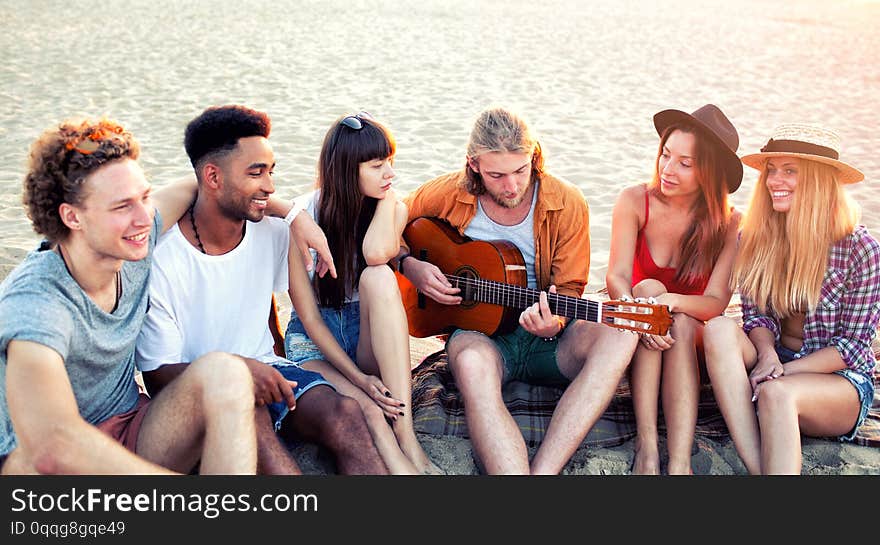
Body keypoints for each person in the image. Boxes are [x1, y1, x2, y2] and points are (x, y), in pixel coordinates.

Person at [135, 105, 388, 475]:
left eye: (271, 171)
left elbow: (264, 302)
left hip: (269, 368)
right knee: (254, 424)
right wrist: (241, 373)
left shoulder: (273, 230)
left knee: (346, 415)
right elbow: (157, 376)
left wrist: (272, 358)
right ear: (213, 177)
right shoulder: (162, 259)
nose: (270, 186)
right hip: (202, 389)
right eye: (256, 173)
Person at [0, 118, 259, 475]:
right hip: (56, 464)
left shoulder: (130, 242)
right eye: (122, 206)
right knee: (25, 466)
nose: (143, 218)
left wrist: (290, 214)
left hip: (131, 432)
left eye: (145, 197)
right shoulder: (36, 302)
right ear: (72, 217)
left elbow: (204, 185)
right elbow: (52, 444)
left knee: (227, 372)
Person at [398, 106, 639, 474]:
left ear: (534, 157)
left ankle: (544, 470)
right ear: (474, 164)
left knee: (624, 332)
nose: (511, 186)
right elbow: (388, 224)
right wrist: (410, 265)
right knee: (471, 362)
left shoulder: (567, 202)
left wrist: (555, 322)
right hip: (481, 337)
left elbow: (571, 287)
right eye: (497, 175)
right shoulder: (446, 194)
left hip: (549, 340)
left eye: (520, 171)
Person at [704, 123, 879, 475]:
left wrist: (784, 371)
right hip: (775, 360)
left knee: (776, 394)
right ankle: (759, 467)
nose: (773, 181)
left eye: (789, 171)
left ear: (818, 180)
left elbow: (853, 347)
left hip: (837, 382)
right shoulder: (754, 238)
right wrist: (768, 355)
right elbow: (757, 318)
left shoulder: (861, 248)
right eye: (771, 170)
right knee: (719, 329)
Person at [283, 112, 440, 475]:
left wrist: (388, 203)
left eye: (391, 162)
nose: (390, 174)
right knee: (366, 405)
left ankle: (409, 440)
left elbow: (374, 255)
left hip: (366, 337)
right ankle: (402, 467)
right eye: (377, 165)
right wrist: (358, 378)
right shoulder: (302, 216)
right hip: (315, 344)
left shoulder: (391, 209)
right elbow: (307, 316)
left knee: (380, 277)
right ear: (346, 169)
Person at [605, 104, 743, 475]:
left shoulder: (731, 224)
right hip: (639, 333)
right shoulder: (634, 200)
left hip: (692, 343)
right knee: (649, 294)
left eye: (685, 163)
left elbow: (716, 304)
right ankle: (647, 446)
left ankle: (680, 461)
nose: (667, 169)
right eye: (666, 155)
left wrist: (671, 304)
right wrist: (640, 313)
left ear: (709, 172)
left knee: (675, 319)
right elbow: (616, 277)